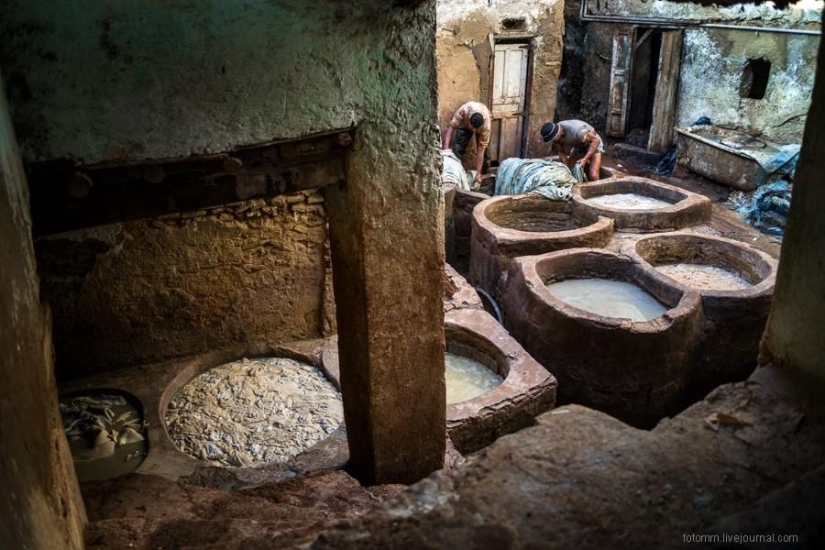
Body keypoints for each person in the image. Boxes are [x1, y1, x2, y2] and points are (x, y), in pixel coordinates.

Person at [443, 101, 492, 188]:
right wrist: (446, 151)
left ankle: (481, 178)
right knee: (457, 149)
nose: (474, 131)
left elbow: (481, 150)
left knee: (486, 155)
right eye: (472, 128)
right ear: (469, 121)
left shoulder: (486, 126)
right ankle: (456, 174)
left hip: (482, 125)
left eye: (475, 129)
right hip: (465, 125)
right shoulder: (464, 111)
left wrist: (477, 173)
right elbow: (451, 129)